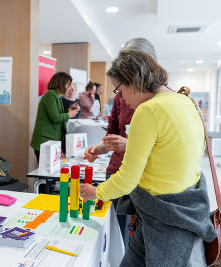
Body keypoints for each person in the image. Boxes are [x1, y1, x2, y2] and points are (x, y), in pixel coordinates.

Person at [80, 50, 216, 266]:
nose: (121, 98)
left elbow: (126, 180)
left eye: (120, 90)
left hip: (164, 214)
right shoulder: (186, 102)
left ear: (133, 80)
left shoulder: (148, 110)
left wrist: (96, 192)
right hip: (186, 206)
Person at [84, 37, 156, 248]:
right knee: (116, 235)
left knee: (137, 239)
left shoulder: (159, 102)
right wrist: (99, 148)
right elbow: (113, 135)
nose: (123, 95)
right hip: (118, 172)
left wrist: (129, 145)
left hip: (144, 178)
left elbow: (161, 148)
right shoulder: (119, 97)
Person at [31, 72, 78, 162]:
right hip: (44, 141)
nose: (69, 88)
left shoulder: (56, 96)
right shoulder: (50, 95)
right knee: (45, 173)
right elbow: (55, 117)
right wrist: (69, 114)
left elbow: (57, 114)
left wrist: (68, 110)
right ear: (61, 83)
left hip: (50, 142)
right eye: (68, 85)